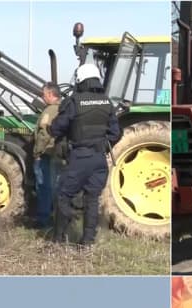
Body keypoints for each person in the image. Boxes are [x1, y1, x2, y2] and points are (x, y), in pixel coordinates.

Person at [49, 63, 121, 245]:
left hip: (79, 158)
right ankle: (87, 242)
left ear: (80, 80)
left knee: (63, 196)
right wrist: (103, 145)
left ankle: (59, 240)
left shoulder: (74, 102)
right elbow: (116, 133)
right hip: (99, 160)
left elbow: (57, 128)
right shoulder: (106, 102)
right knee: (92, 200)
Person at [32, 82, 64, 229]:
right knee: (55, 186)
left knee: (44, 186)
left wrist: (37, 152)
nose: (42, 97)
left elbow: (44, 134)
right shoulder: (63, 109)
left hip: (47, 153)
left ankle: (43, 220)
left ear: (51, 94)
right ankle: (55, 216)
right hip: (57, 154)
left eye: (44, 94)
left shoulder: (50, 111)